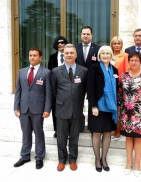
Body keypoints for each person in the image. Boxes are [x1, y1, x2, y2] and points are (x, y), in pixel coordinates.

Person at [51, 44, 88, 172]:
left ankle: (73, 159)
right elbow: (53, 90)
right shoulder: (56, 71)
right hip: (61, 109)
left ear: (76, 54)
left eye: (72, 53)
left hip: (77, 109)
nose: (69, 55)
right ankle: (62, 160)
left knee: (74, 136)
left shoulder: (83, 71)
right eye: (67, 53)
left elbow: (84, 90)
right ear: (63, 55)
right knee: (61, 137)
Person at [13, 48, 52, 170]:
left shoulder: (46, 73)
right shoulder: (22, 72)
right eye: (30, 55)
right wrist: (16, 107)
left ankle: (39, 157)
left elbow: (48, 93)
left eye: (35, 55)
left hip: (38, 109)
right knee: (25, 133)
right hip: (24, 108)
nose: (32, 57)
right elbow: (18, 91)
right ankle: (25, 156)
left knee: (38, 133)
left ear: (40, 57)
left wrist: (47, 109)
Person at [119, 51, 141, 177]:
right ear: (128, 62)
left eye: (136, 60)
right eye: (131, 60)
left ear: (140, 62)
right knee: (128, 137)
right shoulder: (123, 76)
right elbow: (120, 95)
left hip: (140, 113)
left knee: (139, 138)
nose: (133, 62)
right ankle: (129, 163)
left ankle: (137, 164)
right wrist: (119, 113)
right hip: (126, 113)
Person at [87, 45, 119, 172]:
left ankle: (104, 158)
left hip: (110, 108)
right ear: (99, 55)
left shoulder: (115, 70)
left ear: (111, 55)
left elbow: (116, 89)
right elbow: (90, 88)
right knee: (97, 133)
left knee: (107, 133)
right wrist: (93, 106)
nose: (105, 55)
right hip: (98, 107)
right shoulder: (94, 68)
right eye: (103, 53)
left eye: (108, 53)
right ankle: (97, 159)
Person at [48, 35, 68, 138]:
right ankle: (57, 130)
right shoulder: (52, 57)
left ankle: (67, 130)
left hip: (68, 85)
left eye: (62, 42)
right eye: (58, 43)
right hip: (55, 85)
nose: (60, 44)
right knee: (55, 109)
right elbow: (49, 72)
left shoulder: (69, 55)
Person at [110, 36, 129, 141]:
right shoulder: (109, 55)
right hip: (110, 84)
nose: (116, 45)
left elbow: (127, 69)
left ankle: (118, 129)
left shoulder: (125, 55)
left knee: (119, 109)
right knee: (112, 107)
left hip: (120, 85)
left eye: (118, 43)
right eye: (115, 43)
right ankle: (113, 128)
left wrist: (122, 81)